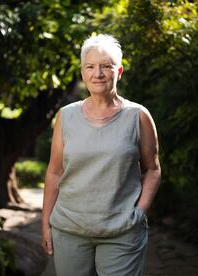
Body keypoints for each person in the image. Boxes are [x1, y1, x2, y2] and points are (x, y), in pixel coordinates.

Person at [41, 34, 161, 276]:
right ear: (83, 73)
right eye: (91, 67)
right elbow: (55, 172)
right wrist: (46, 222)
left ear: (119, 72)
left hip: (122, 231)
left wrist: (140, 211)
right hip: (69, 230)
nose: (98, 73)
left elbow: (153, 169)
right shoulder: (66, 116)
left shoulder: (138, 116)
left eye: (106, 66)